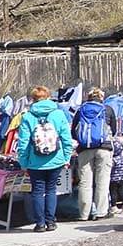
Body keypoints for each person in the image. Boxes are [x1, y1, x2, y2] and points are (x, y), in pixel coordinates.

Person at [15, 86, 73, 232]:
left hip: (35, 163)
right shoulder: (58, 114)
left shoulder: (27, 116)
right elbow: (67, 139)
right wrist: (66, 158)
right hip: (56, 159)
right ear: (48, 97)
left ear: (33, 99)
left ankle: (40, 223)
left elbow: (23, 143)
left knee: (37, 191)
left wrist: (23, 162)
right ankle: (51, 221)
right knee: (51, 190)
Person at [72, 87, 119, 220]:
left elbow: (74, 131)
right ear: (101, 97)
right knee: (102, 181)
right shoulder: (107, 109)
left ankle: (84, 214)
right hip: (104, 149)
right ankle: (101, 212)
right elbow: (114, 130)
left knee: (85, 182)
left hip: (84, 149)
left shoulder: (81, 110)